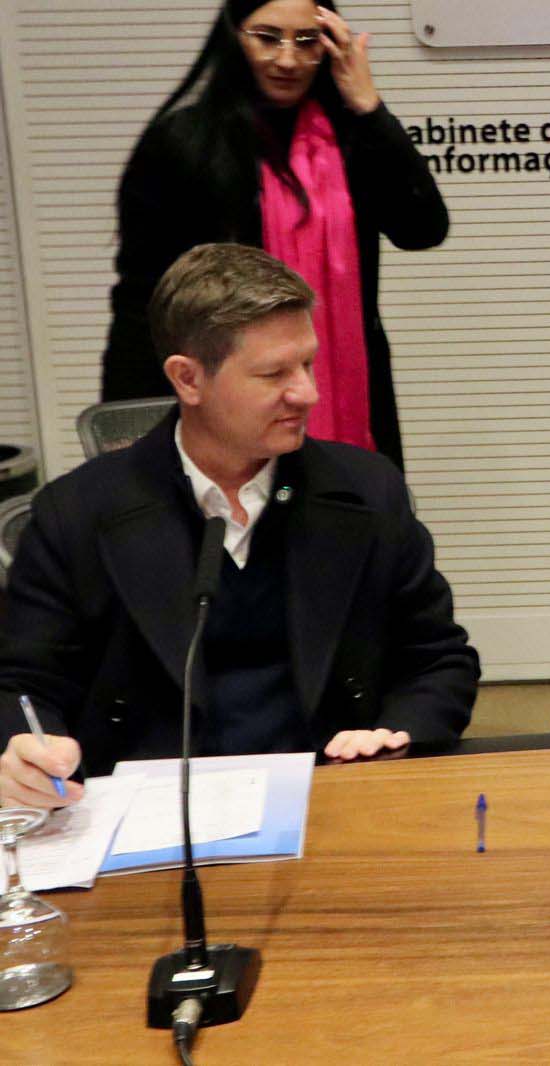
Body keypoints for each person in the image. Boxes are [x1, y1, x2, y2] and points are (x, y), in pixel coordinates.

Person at [0, 243, 478, 809]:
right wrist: (26, 751)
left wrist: (395, 733)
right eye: (274, 373)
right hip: (151, 812)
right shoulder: (77, 513)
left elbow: (437, 659)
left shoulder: (367, 492)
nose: (308, 393)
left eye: (307, 364)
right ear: (188, 379)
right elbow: (24, 685)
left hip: (332, 795)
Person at [102, 0, 447, 470]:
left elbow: (422, 228)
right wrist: (123, 437)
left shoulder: (352, 139)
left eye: (307, 41)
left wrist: (369, 107)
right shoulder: (183, 145)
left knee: (349, 509)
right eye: (267, 38)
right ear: (234, 36)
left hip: (350, 404)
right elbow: (140, 301)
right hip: (221, 411)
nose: (288, 59)